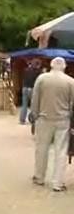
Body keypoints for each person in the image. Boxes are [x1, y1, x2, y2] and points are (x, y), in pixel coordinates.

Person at [31, 57, 74, 192]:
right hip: (63, 120)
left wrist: (34, 114)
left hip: (44, 119)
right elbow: (72, 104)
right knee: (60, 151)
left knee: (41, 148)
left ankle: (39, 177)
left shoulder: (42, 79)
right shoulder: (70, 81)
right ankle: (58, 182)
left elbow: (35, 98)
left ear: (51, 65)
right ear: (64, 66)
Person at [19, 59, 41, 124]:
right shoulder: (38, 71)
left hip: (25, 88)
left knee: (24, 104)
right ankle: (33, 119)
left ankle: (22, 119)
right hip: (32, 88)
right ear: (37, 65)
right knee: (33, 104)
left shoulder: (26, 70)